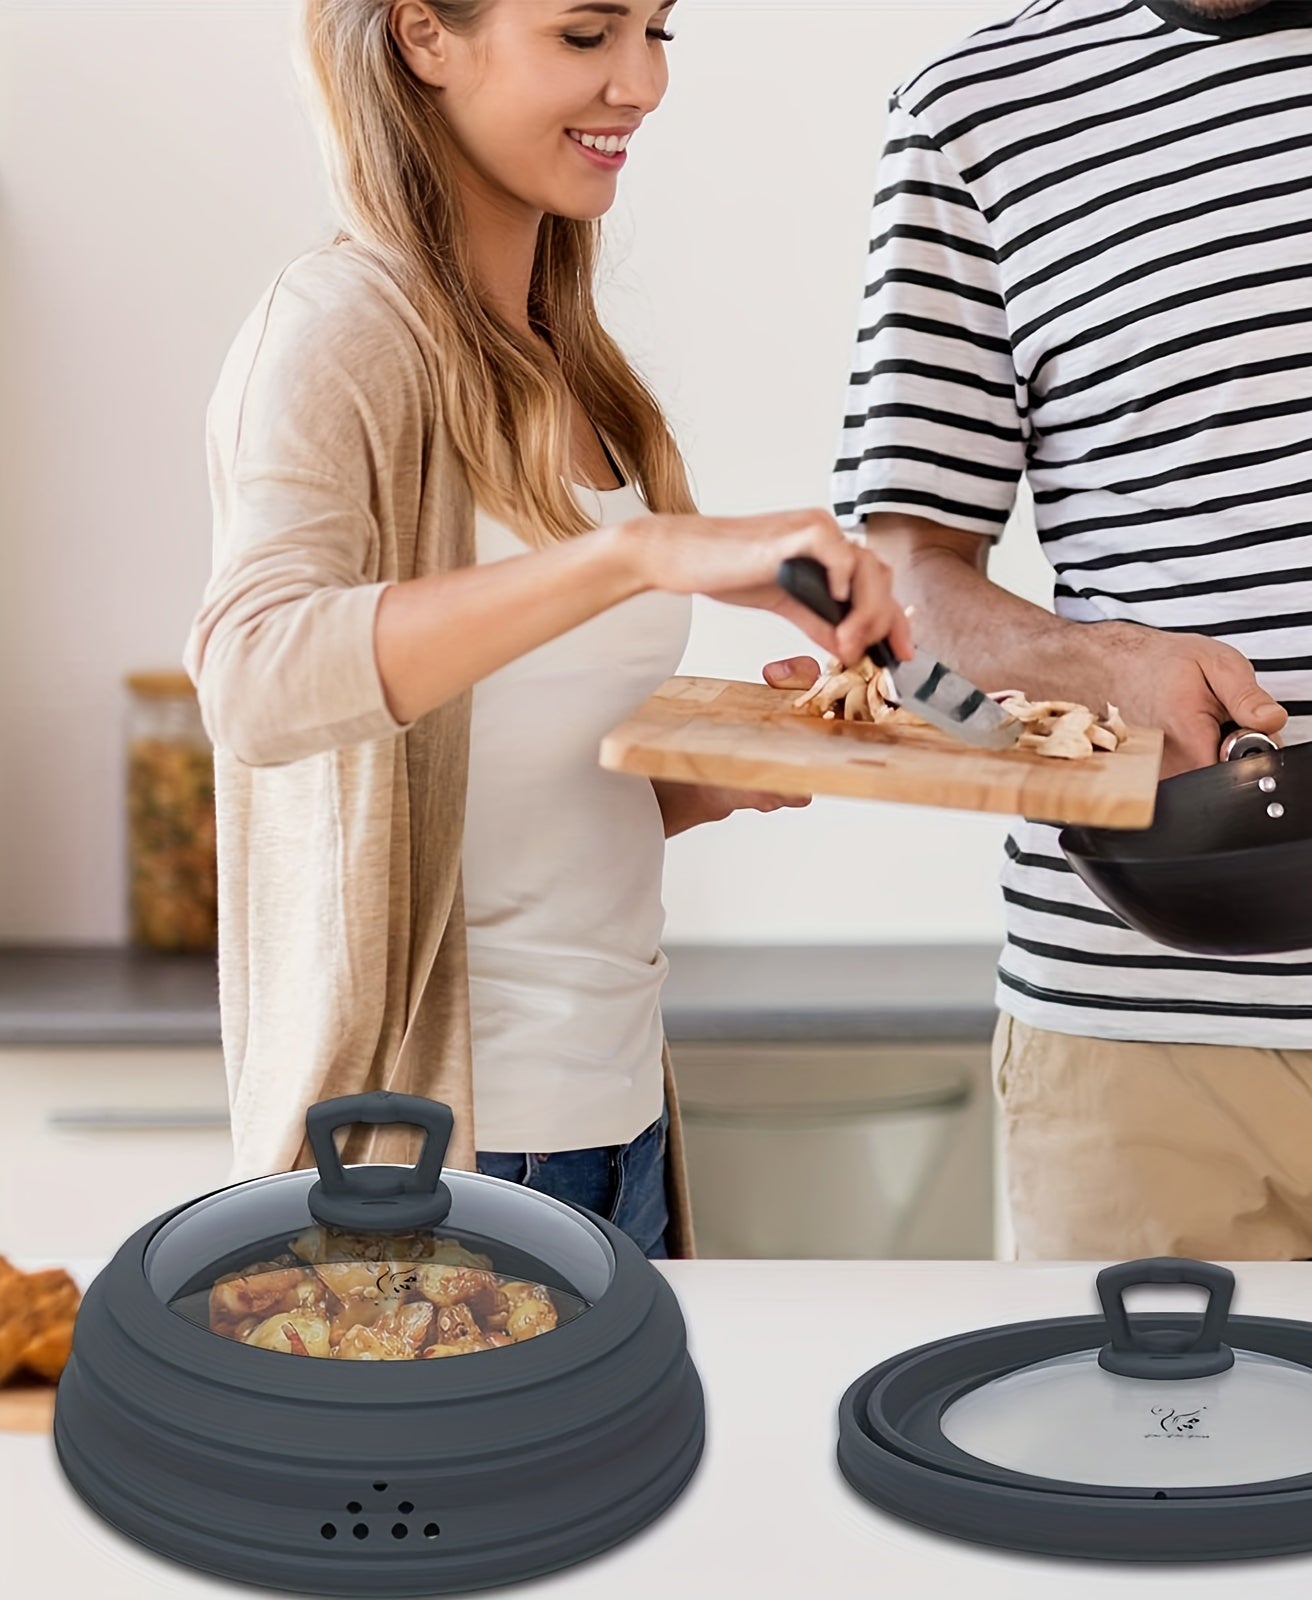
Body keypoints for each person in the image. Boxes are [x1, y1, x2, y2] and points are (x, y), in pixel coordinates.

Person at [833, 0, 1312, 1261]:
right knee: (1133, 1464)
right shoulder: (974, 112)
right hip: (1142, 1038)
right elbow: (892, 584)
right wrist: (1091, 662)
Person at [184, 0, 909, 1259]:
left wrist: (707, 777)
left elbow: (503, 785)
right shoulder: (338, 331)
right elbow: (254, 677)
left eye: (661, 31)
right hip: (443, 1158)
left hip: (616, 1125)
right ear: (424, 37)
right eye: (586, 35)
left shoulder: (573, 366)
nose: (640, 83)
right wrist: (635, 554)